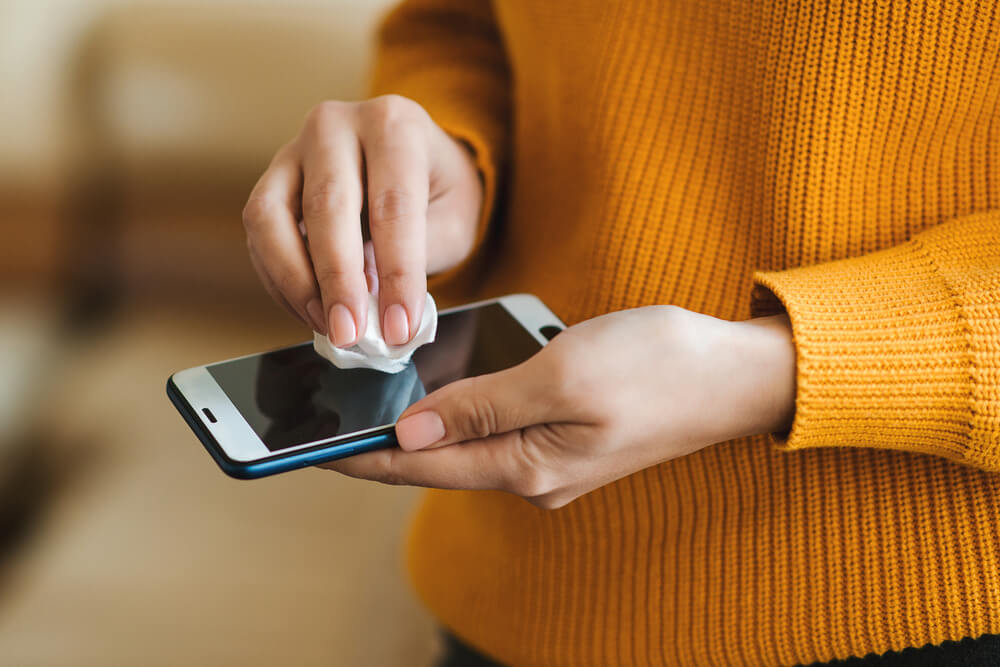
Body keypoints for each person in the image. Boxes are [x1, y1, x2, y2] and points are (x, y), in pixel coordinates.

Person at [240, 1, 1000, 664]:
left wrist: (772, 368)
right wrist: (450, 153)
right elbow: (461, 23)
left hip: (909, 605)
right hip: (513, 599)